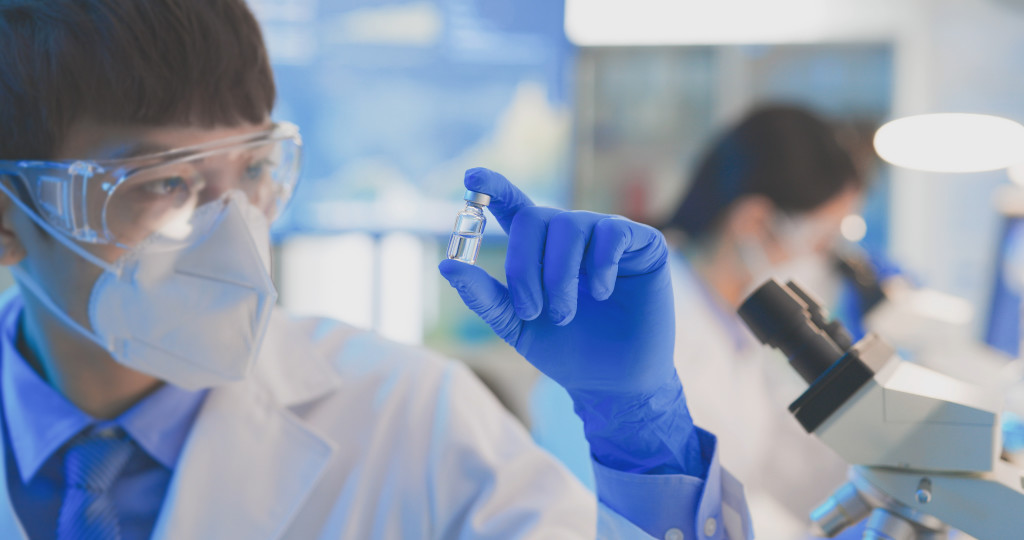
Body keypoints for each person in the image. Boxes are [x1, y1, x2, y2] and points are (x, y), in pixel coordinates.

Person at [0, 1, 752, 539]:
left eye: (257, 168)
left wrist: (642, 442)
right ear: (11, 219)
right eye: (165, 182)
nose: (234, 235)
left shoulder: (411, 417)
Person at [532, 105, 865, 538]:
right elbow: (690, 500)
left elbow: (769, 465)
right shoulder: (641, 320)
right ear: (755, 223)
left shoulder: (729, 324)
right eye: (822, 240)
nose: (825, 261)